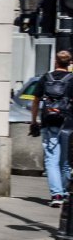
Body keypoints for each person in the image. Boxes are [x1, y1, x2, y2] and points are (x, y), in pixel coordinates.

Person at [30, 50, 73, 207]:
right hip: (68, 123)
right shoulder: (72, 79)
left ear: (55, 61)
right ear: (69, 64)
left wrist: (34, 121)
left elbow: (35, 101)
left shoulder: (46, 78)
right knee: (65, 160)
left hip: (50, 122)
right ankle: (66, 193)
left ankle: (56, 195)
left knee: (51, 159)